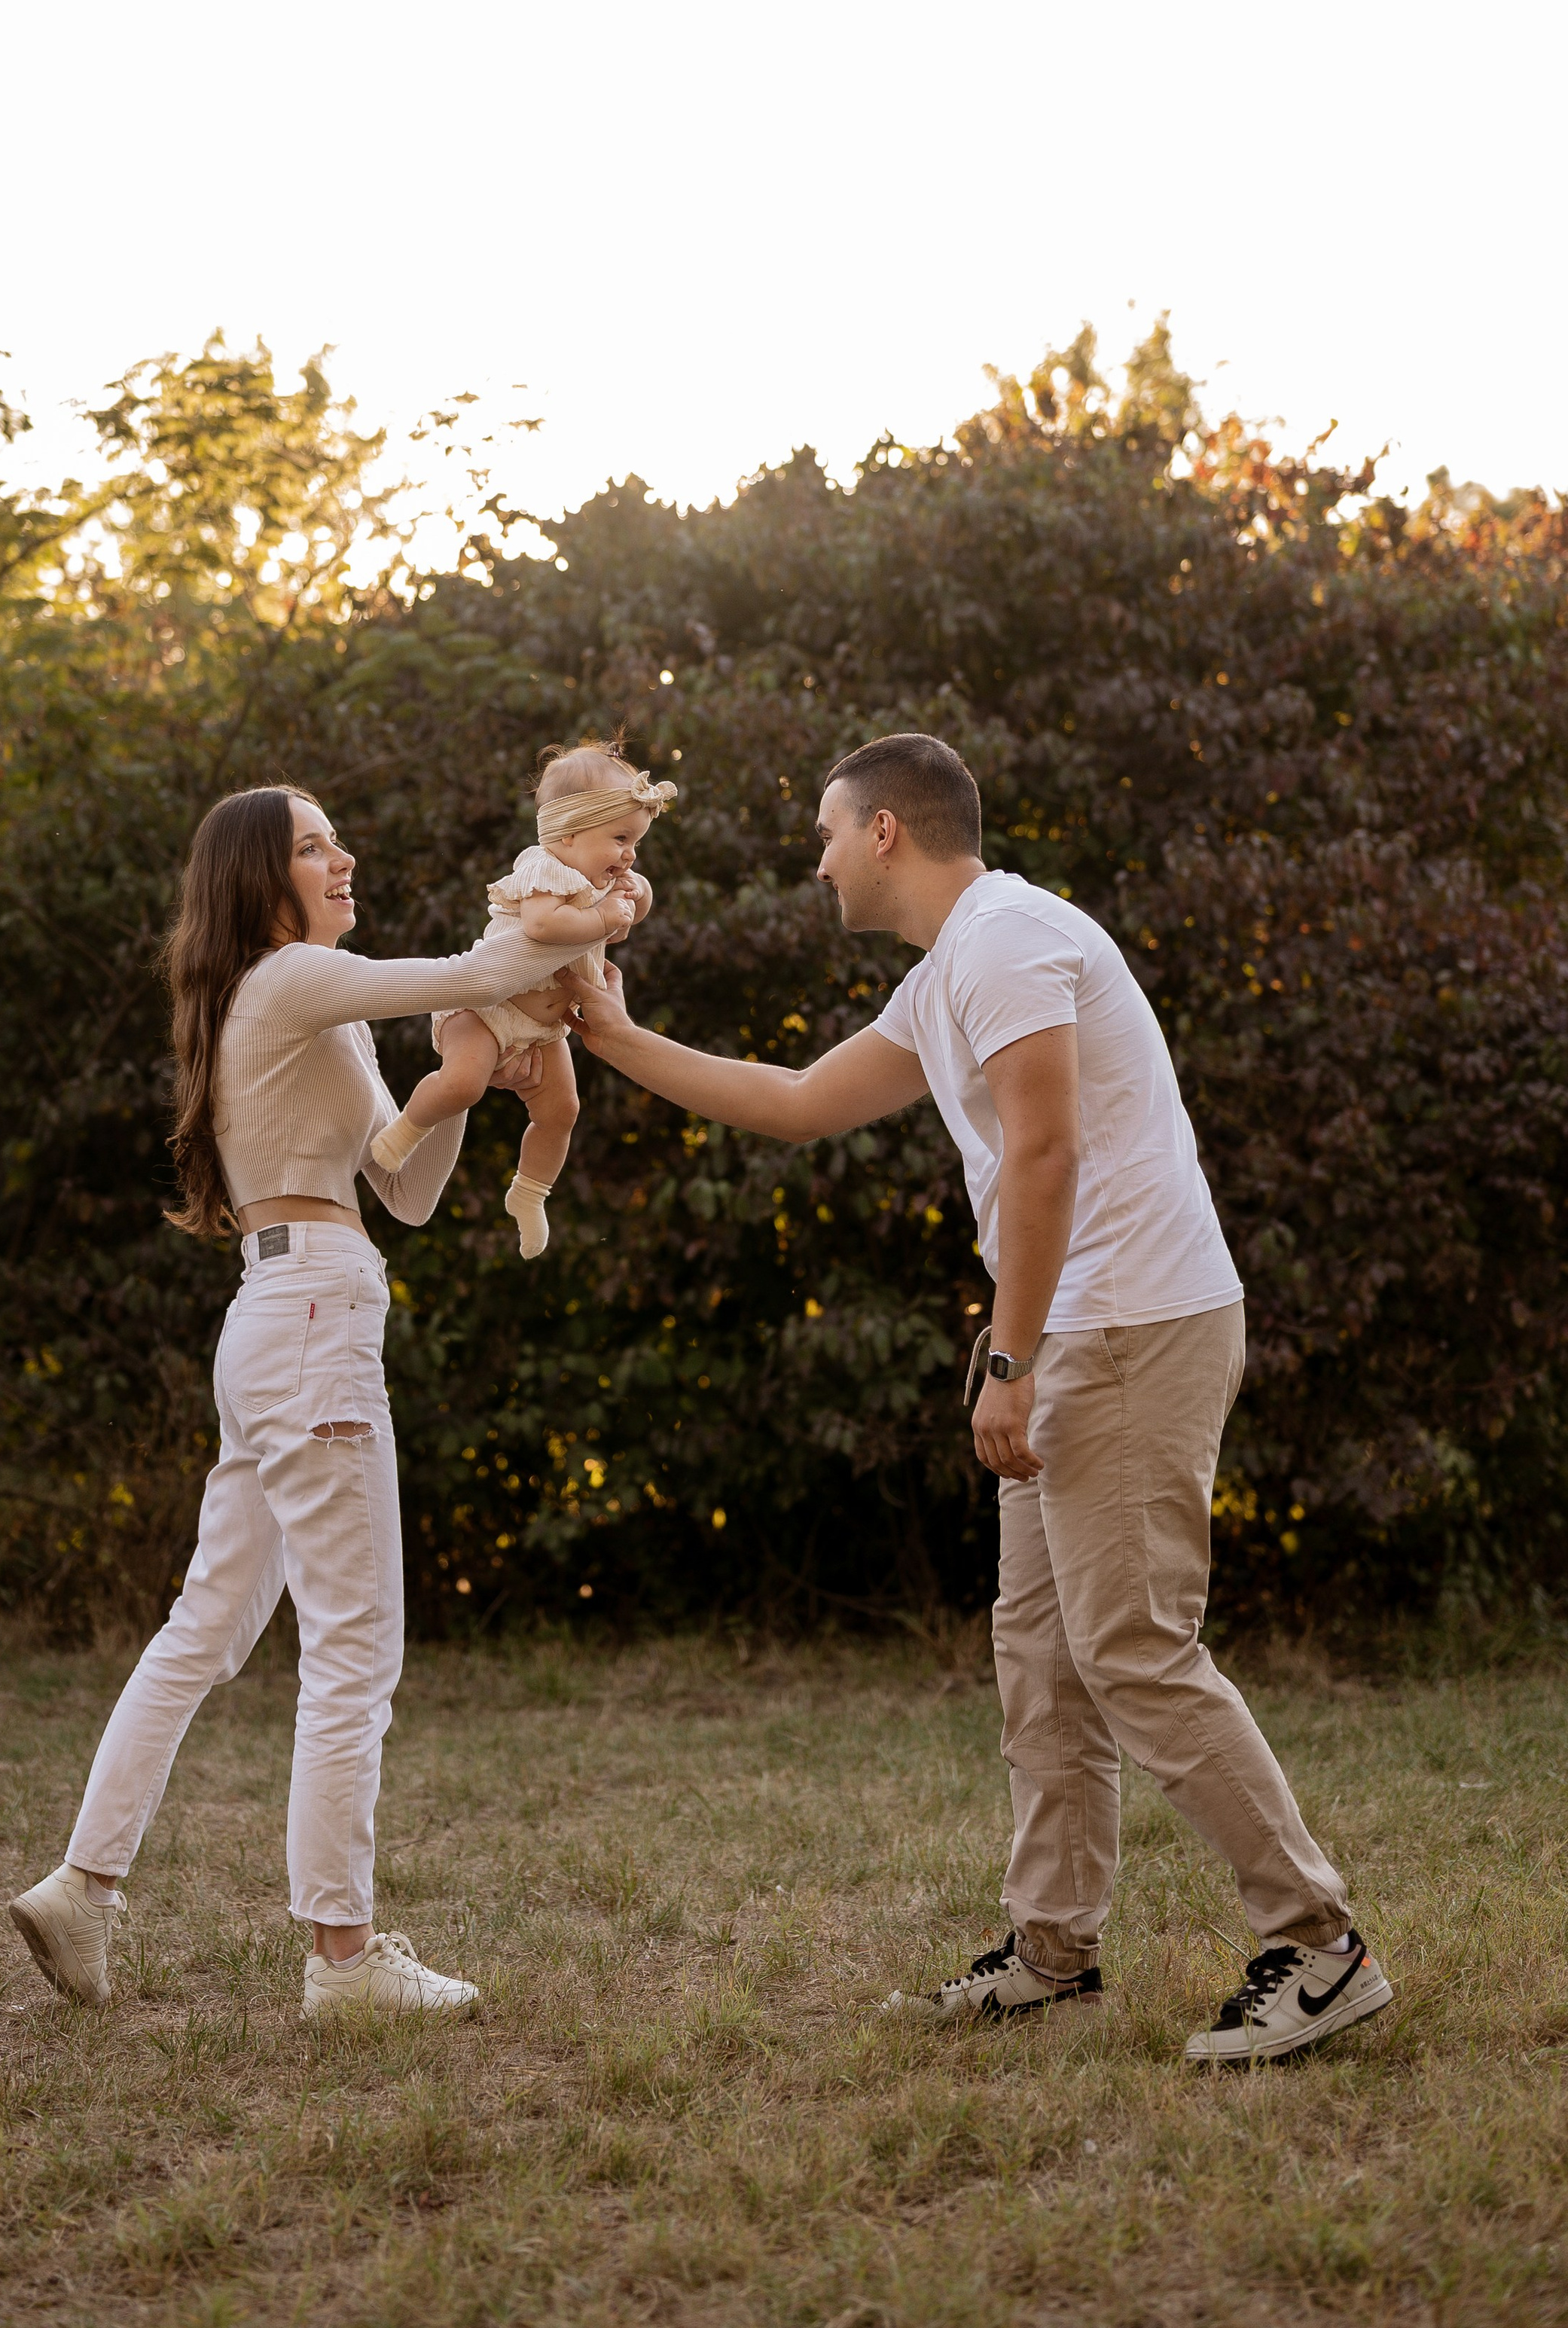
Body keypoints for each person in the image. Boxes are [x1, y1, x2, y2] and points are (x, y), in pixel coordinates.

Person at [565, 731, 1393, 2064]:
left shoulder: (1007, 939)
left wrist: (1010, 1362)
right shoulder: (952, 967)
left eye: (828, 833)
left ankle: (1319, 1946)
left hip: (1123, 1325)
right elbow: (797, 1100)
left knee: (1133, 1647)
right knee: (1045, 1659)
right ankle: (1053, 1954)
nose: (819, 862)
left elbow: (1047, 1151)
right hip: (1074, 1327)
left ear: (886, 829)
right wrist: (610, 1033)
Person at [9, 781, 606, 2021]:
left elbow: (407, 1191)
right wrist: (593, 899)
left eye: (338, 837)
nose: (344, 858)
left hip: (285, 1314)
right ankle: (343, 1959)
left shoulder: (304, 1003)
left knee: (206, 1630)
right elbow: (482, 963)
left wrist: (467, 1083)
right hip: (313, 1322)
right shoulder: (288, 979)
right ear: (260, 880)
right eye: (313, 845)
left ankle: (81, 1888)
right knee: (354, 1645)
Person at [370, 744, 675, 1258]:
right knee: (462, 1084)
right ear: (568, 833)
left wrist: (636, 894)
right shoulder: (543, 868)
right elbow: (543, 926)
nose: (629, 855)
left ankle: (529, 1195)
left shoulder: (598, 881)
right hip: (485, 1011)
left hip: (542, 1029)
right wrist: (604, 916)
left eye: (637, 843)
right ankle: (405, 1131)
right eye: (621, 839)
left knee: (562, 1111)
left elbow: (629, 916)